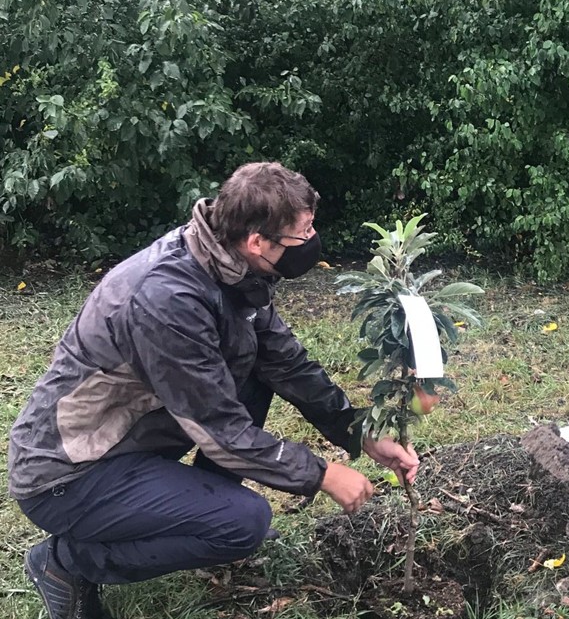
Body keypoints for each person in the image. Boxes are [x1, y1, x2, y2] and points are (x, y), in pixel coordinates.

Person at [8, 162, 420, 619]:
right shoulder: (167, 299)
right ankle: (65, 563)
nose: (312, 241)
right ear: (258, 240)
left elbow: (286, 361)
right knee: (245, 524)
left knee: (256, 376)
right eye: (302, 233)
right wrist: (323, 475)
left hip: (132, 442)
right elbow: (219, 428)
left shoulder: (231, 267)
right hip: (70, 474)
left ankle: (210, 508)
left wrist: (358, 431)